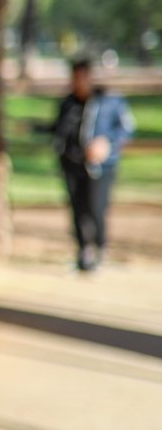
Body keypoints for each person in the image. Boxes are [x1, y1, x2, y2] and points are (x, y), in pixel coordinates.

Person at [49, 58, 135, 271]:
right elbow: (58, 129)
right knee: (77, 209)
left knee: (96, 208)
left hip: (100, 167)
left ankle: (99, 249)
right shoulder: (68, 103)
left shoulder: (109, 101)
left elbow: (126, 128)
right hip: (71, 164)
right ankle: (83, 251)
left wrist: (106, 144)